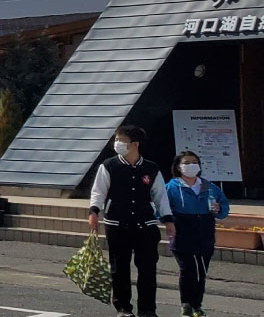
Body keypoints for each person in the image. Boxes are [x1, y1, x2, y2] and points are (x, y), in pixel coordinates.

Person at [88, 124, 175, 317]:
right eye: (116, 140)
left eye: (122, 140)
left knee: (147, 268)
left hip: (145, 224)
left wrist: (168, 219)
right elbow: (98, 191)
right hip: (117, 223)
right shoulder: (109, 166)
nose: (117, 143)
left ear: (135, 144)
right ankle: (123, 308)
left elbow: (160, 196)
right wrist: (94, 211)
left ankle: (147, 309)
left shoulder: (151, 168)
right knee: (119, 267)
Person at [165, 151, 229, 317]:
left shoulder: (209, 186)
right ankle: (186, 303)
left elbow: (224, 205)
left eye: (194, 162)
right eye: (186, 163)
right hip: (182, 232)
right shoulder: (172, 187)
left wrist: (219, 209)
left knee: (201, 270)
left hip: (204, 233)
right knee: (188, 269)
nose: (191, 166)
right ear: (178, 166)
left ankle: (196, 304)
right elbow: (161, 207)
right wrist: (168, 221)